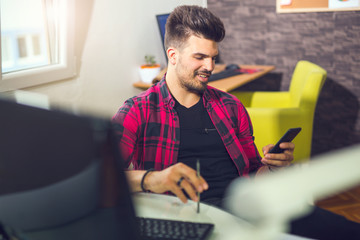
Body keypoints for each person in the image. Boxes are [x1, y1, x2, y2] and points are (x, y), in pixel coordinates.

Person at [112, 5, 360, 239]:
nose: (209, 67)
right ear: (173, 55)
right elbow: (105, 179)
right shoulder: (138, 111)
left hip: (251, 207)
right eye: (199, 57)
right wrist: (154, 179)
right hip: (191, 218)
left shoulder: (231, 106)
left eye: (213, 57)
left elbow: (252, 174)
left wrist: (273, 167)